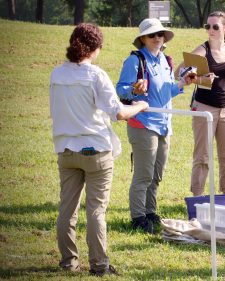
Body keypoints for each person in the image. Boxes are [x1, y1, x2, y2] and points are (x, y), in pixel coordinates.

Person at [50, 23, 148, 276]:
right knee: (96, 210)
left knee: (67, 209)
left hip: (66, 150)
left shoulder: (57, 74)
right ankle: (99, 264)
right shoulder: (95, 75)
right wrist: (140, 106)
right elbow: (119, 113)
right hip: (96, 150)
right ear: (94, 49)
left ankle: (68, 262)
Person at [116, 18, 192, 233]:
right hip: (143, 124)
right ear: (143, 39)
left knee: (157, 174)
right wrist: (135, 90)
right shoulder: (135, 60)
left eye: (160, 34)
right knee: (143, 175)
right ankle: (138, 217)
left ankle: (150, 211)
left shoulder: (165, 61)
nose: (157, 38)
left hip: (164, 124)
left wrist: (182, 84)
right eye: (152, 35)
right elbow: (120, 90)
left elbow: (167, 90)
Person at [177, 11, 225, 197]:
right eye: (208, 26)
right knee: (202, 155)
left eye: (215, 27)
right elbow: (179, 71)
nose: (210, 30)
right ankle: (197, 197)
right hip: (204, 107)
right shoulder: (202, 50)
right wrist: (200, 79)